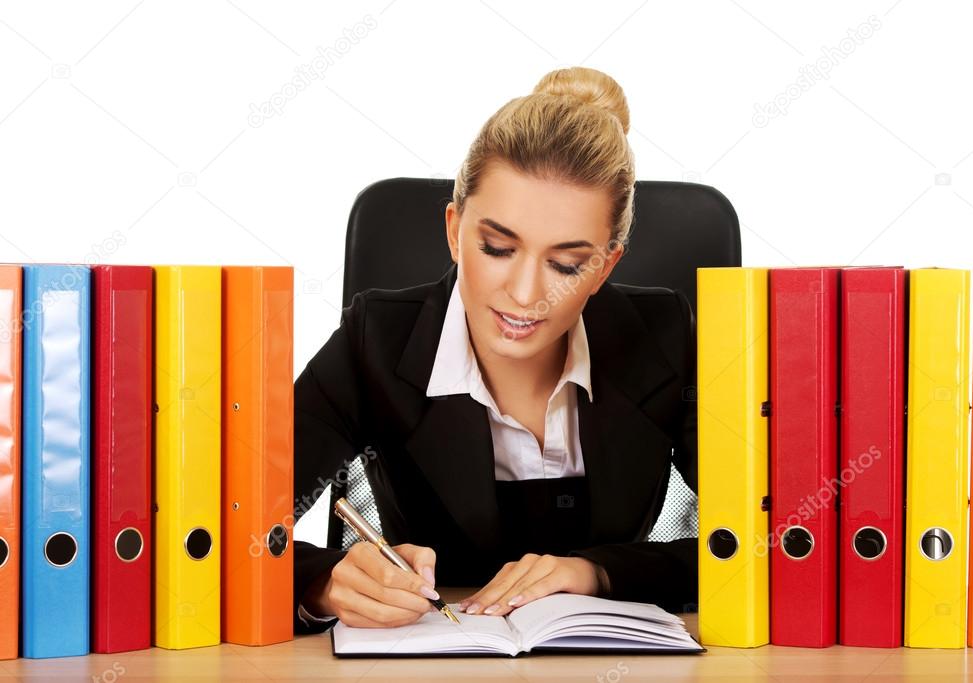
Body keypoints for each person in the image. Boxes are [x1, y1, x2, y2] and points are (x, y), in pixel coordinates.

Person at [293, 66, 697, 632]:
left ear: (606, 266)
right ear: (456, 230)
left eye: (568, 264)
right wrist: (325, 581)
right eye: (498, 247)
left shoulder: (665, 338)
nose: (527, 294)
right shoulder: (377, 339)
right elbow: (225, 528)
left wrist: (597, 573)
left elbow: (778, 539)